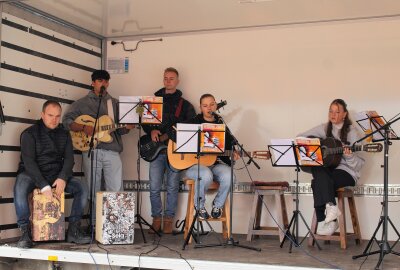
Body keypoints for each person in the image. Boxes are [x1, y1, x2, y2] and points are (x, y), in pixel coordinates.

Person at [14, 100, 90, 248]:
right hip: (32, 174)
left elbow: (69, 159)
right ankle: (25, 232)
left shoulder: (65, 133)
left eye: (57, 116)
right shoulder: (29, 134)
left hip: (56, 174)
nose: (54, 119)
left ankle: (73, 230)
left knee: (82, 187)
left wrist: (62, 177)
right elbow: (29, 163)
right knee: (20, 186)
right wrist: (43, 185)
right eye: (50, 115)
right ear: (42, 115)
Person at [62, 70, 135, 222]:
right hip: (91, 150)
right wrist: (83, 128)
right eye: (100, 81)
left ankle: (114, 226)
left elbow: (120, 130)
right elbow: (66, 121)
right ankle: (95, 225)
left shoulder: (114, 103)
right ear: (93, 83)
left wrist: (127, 127)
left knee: (115, 189)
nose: (104, 84)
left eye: (106, 81)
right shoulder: (81, 103)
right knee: (92, 189)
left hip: (112, 150)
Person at [297, 99, 365, 236]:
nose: (333, 114)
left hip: (347, 173)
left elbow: (359, 165)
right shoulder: (325, 128)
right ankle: (331, 208)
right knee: (316, 165)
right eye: (331, 111)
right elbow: (300, 138)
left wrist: (350, 156)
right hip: (330, 171)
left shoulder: (352, 133)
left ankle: (326, 221)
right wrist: (318, 145)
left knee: (316, 183)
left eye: (337, 111)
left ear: (344, 114)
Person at [142, 67, 195, 234]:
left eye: (172, 78)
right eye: (166, 78)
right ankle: (156, 218)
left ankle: (169, 220)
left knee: (173, 187)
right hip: (156, 152)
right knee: (154, 186)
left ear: (178, 81)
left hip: (176, 154)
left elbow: (191, 129)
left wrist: (172, 136)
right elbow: (143, 121)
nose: (168, 81)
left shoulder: (185, 105)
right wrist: (150, 130)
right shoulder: (152, 101)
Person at [185, 94, 239, 219]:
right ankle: (199, 207)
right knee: (205, 175)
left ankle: (217, 205)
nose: (209, 108)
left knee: (229, 175)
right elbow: (175, 133)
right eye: (205, 105)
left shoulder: (221, 123)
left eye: (211, 104)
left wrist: (234, 151)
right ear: (201, 108)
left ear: (215, 105)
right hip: (194, 164)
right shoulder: (193, 122)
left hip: (216, 164)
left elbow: (230, 143)